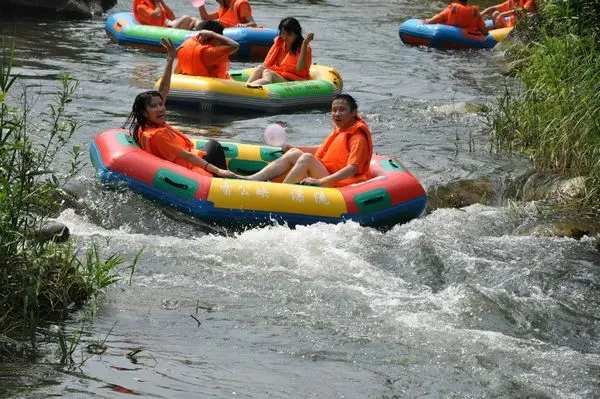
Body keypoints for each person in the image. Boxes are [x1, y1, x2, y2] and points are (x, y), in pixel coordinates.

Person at [124, 39, 238, 179]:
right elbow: (187, 156)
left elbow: (164, 89)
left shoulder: (144, 125)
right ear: (143, 111)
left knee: (210, 146)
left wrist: (170, 60)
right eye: (154, 106)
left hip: (182, 164)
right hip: (188, 170)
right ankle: (224, 182)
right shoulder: (157, 135)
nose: (160, 108)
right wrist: (220, 171)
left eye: (161, 104)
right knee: (214, 146)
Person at [243, 94, 373, 187]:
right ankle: (252, 179)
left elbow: (352, 169)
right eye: (334, 110)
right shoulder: (342, 129)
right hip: (326, 171)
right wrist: (296, 147)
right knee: (294, 152)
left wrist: (322, 181)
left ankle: (281, 192)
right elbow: (324, 149)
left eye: (342, 110)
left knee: (307, 158)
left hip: (339, 182)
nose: (337, 114)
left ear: (353, 112)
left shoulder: (358, 138)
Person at [246, 17, 313, 86]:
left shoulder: (305, 47)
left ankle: (247, 88)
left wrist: (304, 44)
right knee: (261, 68)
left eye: (289, 34)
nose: (285, 37)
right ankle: (244, 87)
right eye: (283, 33)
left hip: (294, 80)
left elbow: (299, 69)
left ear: (296, 34)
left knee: (268, 73)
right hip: (281, 75)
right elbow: (267, 64)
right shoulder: (279, 43)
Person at [174, 20, 239, 78]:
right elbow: (235, 45)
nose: (220, 42)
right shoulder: (209, 52)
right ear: (214, 38)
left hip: (188, 81)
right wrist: (212, 34)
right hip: (214, 87)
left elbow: (176, 72)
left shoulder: (185, 44)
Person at [424, 0, 489, 36]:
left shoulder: (452, 9)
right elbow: (485, 32)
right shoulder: (475, 12)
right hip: (469, 41)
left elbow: (433, 20)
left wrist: (426, 21)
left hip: (447, 36)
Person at [133, 0, 199, 30]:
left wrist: (162, 2)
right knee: (186, 18)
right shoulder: (141, 7)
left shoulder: (157, 5)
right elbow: (158, 16)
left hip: (165, 28)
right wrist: (157, 2)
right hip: (156, 32)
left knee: (192, 19)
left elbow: (172, 17)